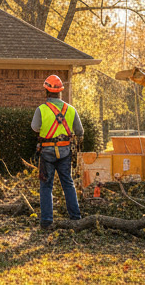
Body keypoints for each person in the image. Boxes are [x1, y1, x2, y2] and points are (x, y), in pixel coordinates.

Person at [31, 74, 84, 229]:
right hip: (65, 151)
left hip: (47, 152)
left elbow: (35, 128)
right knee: (68, 183)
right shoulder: (71, 110)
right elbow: (80, 131)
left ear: (46, 92)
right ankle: (75, 218)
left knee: (46, 186)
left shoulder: (41, 109)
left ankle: (47, 221)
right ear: (60, 92)